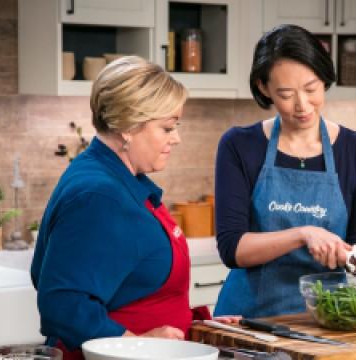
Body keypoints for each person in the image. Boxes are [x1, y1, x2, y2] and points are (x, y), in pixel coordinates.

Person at [30, 56, 238, 360]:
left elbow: (136, 288)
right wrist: (135, 346)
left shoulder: (122, 179)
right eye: (167, 128)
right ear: (128, 127)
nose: (176, 138)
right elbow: (62, 303)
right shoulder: (99, 195)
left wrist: (196, 325)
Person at [213, 24, 356, 319]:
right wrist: (303, 234)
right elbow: (232, 248)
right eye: (285, 94)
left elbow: (354, 244)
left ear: (324, 79)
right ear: (264, 88)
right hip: (250, 322)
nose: (302, 105)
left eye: (311, 89)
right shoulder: (239, 145)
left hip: (329, 321)